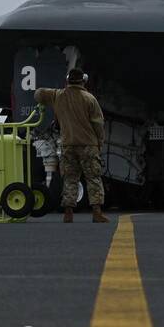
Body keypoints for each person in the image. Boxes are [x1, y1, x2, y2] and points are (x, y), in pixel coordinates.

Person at [35, 68, 108, 223]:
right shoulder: (89, 99)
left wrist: (55, 91)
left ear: (68, 80)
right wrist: (100, 142)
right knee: (93, 178)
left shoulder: (58, 95)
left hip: (68, 145)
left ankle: (68, 213)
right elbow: (98, 124)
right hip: (88, 145)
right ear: (83, 81)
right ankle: (97, 213)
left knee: (69, 178)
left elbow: (38, 94)